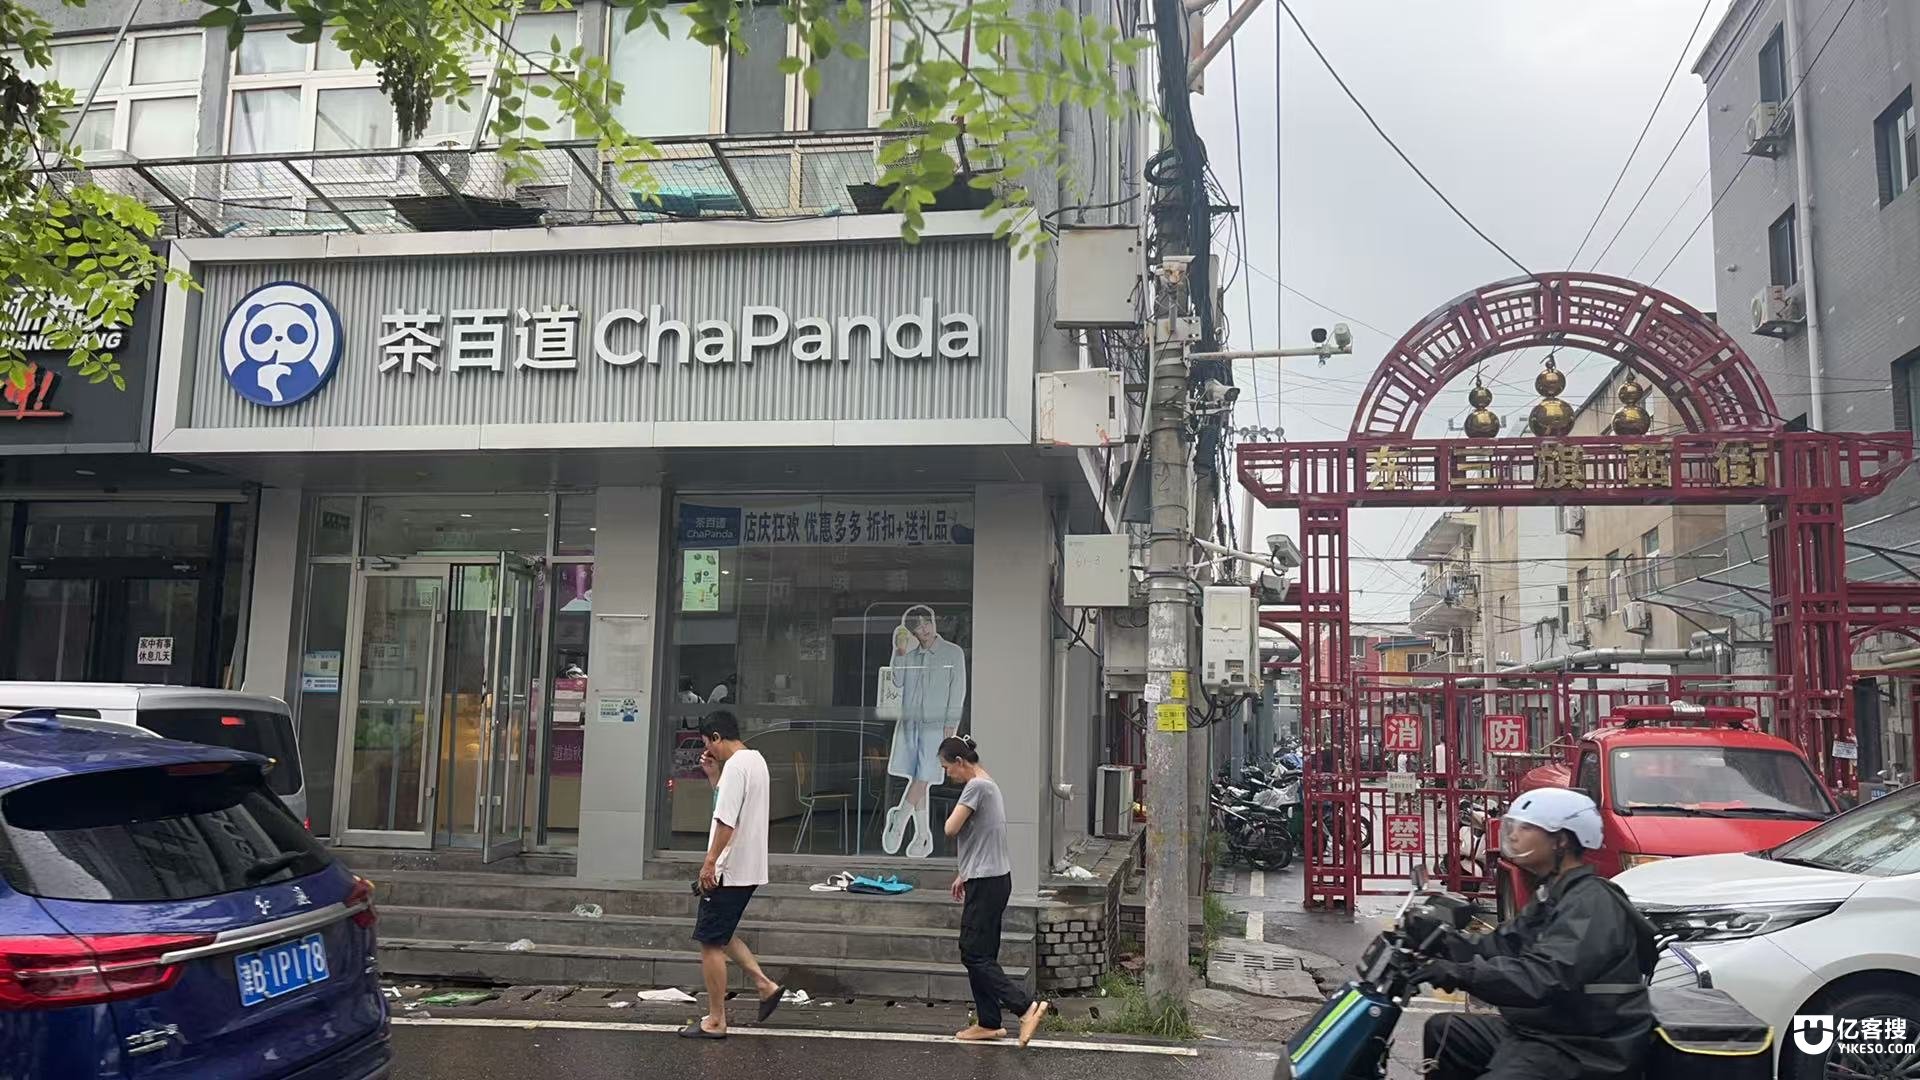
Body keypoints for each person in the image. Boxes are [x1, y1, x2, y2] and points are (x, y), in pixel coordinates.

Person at [1415, 787, 1657, 1080]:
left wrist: (1458, 973)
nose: (1514, 835)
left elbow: (1544, 977)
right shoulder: (1553, 894)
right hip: (1543, 1030)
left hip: (1584, 1047)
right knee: (1446, 1032)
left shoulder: (1591, 903)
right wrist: (1442, 944)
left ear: (1561, 841)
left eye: (1527, 828)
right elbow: (1503, 945)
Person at [937, 736, 1049, 1047]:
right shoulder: (989, 784)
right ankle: (988, 1023)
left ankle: (1024, 1008)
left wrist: (971, 870)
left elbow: (950, 828)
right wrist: (965, 872)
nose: (947, 774)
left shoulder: (976, 787)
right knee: (980, 954)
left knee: (973, 953)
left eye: (946, 768)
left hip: (987, 883)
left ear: (960, 762)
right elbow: (986, 836)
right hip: (991, 878)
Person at [681, 710, 783, 1039]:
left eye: (708, 744)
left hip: (729, 869)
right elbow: (732, 807)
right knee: (721, 933)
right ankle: (764, 985)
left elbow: (726, 821)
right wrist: (714, 776)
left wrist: (710, 863)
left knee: (710, 942)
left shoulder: (737, 766)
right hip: (748, 867)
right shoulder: (756, 760)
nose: (708, 751)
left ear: (716, 737)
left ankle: (716, 1020)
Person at [883, 606, 968, 858]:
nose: (925, 629)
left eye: (927, 623)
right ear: (913, 632)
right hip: (911, 725)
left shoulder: (952, 652)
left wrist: (950, 725)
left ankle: (900, 817)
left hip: (936, 726)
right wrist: (899, 651)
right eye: (919, 626)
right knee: (920, 777)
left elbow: (958, 690)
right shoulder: (910, 656)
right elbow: (897, 680)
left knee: (925, 775)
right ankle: (922, 836)